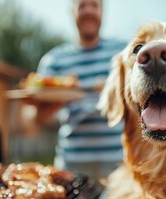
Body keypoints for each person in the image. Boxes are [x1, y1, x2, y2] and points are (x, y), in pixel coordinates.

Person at [34, 0, 126, 179]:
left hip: (118, 162)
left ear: (102, 11)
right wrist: (58, 100)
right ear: (72, 11)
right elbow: (39, 119)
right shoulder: (54, 60)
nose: (88, 11)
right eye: (82, 5)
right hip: (71, 163)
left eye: (94, 5)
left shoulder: (122, 52)